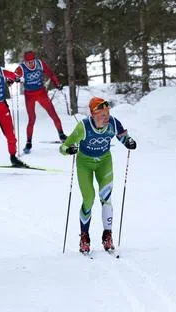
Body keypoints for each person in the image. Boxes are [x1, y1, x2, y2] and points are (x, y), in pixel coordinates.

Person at [60, 96, 137, 254]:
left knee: (106, 197)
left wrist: (128, 141)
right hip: (84, 164)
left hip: (104, 162)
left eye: (107, 114)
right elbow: (63, 146)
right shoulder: (83, 126)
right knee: (89, 198)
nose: (106, 118)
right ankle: (84, 237)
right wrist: (69, 150)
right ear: (93, 115)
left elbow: (123, 136)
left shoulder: (113, 123)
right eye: (102, 115)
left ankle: (107, 235)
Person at [12, 50, 66, 153]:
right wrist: (11, 80)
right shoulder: (21, 68)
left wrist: (57, 83)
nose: (31, 64)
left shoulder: (40, 64)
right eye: (28, 62)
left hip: (41, 93)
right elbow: (13, 76)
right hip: (29, 95)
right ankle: (28, 143)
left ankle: (61, 135)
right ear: (25, 62)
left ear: (35, 60)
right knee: (32, 119)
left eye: (32, 61)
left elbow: (50, 73)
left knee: (53, 114)